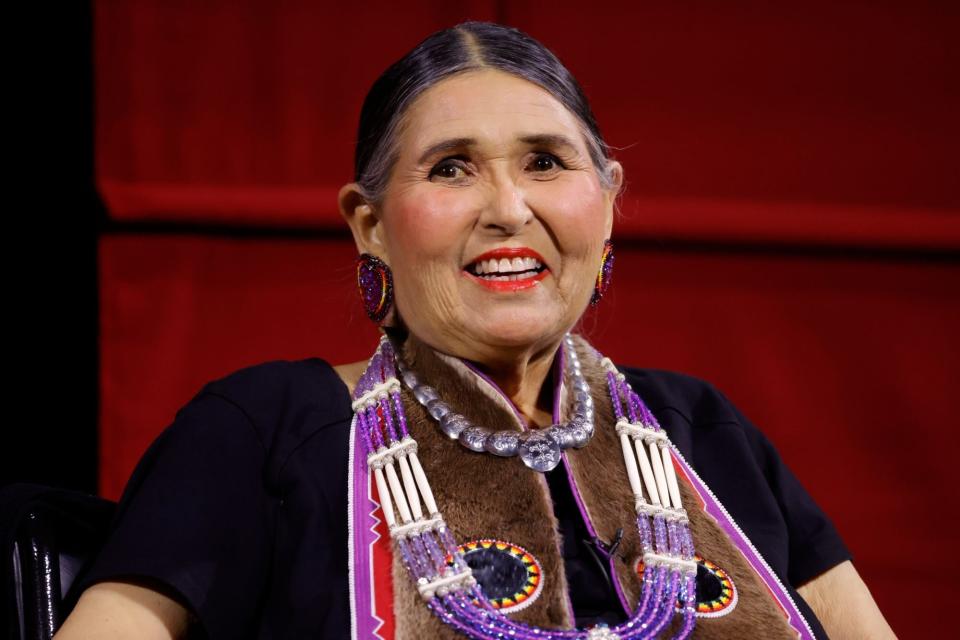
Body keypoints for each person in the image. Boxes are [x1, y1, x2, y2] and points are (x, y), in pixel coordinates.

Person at [56, 21, 895, 640]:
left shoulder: (703, 436)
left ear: (607, 202)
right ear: (370, 224)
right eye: (451, 168)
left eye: (546, 163)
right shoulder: (263, 431)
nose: (507, 209)